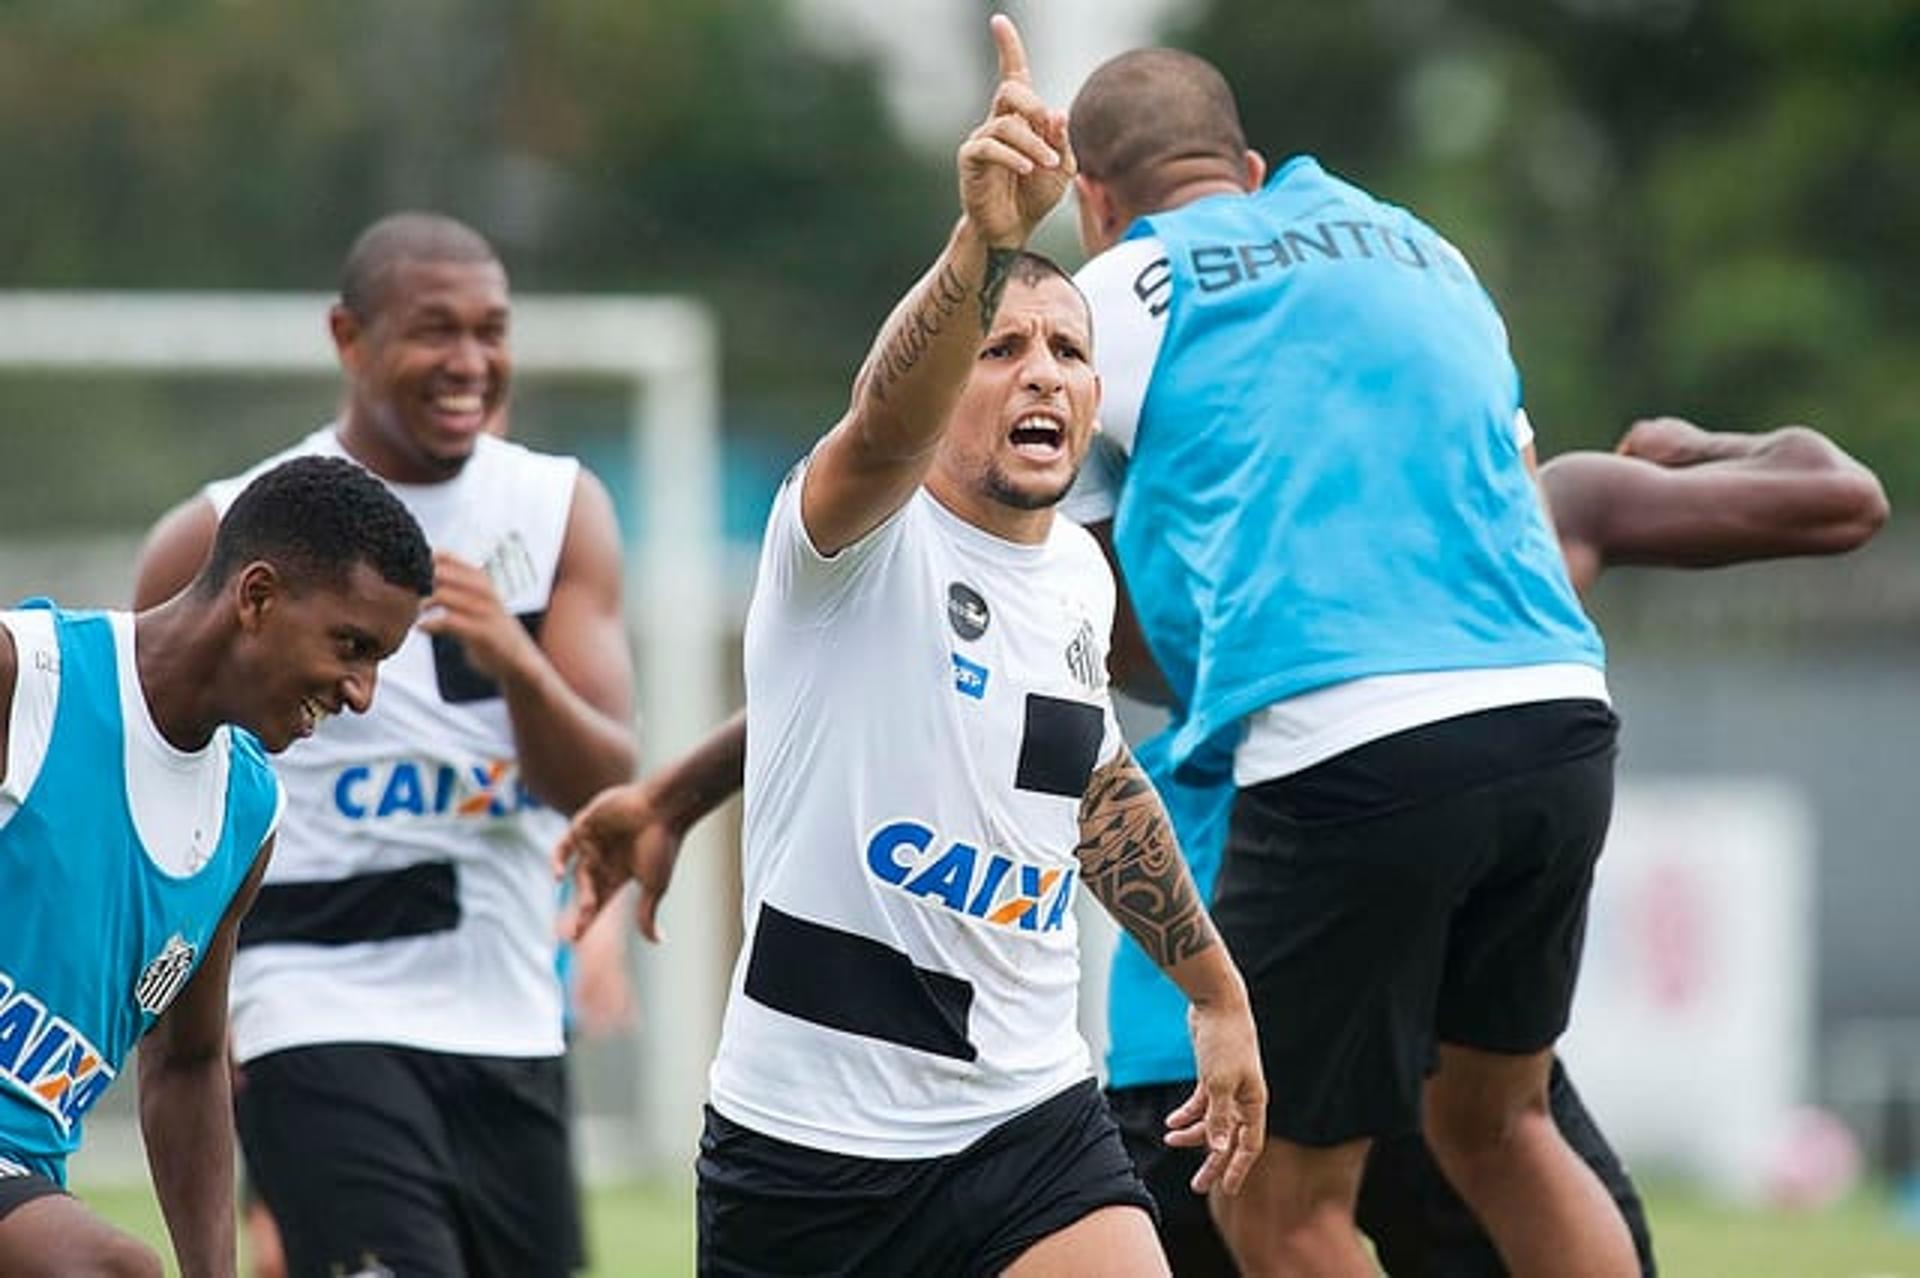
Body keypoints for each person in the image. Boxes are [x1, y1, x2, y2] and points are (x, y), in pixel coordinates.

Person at [560, 17, 1264, 1276]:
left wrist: (1214, 988)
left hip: (1026, 1121)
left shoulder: (1075, 584)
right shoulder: (848, 536)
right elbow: (886, 421)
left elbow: (1093, 786)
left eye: (1067, 352)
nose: (1040, 372)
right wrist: (984, 245)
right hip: (804, 1150)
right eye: (1002, 350)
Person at [1065, 46, 1641, 1277]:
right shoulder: (1423, 251)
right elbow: (1524, 507)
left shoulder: (1112, 294)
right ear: (1255, 171)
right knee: (1504, 1129)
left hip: (1351, 748)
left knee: (1274, 1205)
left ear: (1093, 199)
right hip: (1560, 714)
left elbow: (1072, 601)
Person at [1070, 414, 1888, 1277]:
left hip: (1208, 1053)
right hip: (1398, 1056)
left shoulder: (1178, 537)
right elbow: (1832, 493)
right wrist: (1691, 447)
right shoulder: (1522, 521)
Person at [133, 211, 637, 1278]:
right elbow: (144, 785)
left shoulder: (556, 511)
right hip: (309, 1009)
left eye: (492, 331)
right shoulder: (225, 533)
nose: (470, 362)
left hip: (506, 1010)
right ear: (348, 339)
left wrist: (517, 661)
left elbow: (606, 786)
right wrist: (186, 1025)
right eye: (434, 331)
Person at [0, 456, 430, 1278]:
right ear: (257, 597)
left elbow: (189, 1061)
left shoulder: (246, 813)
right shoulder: (28, 682)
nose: (364, 693)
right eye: (353, 645)